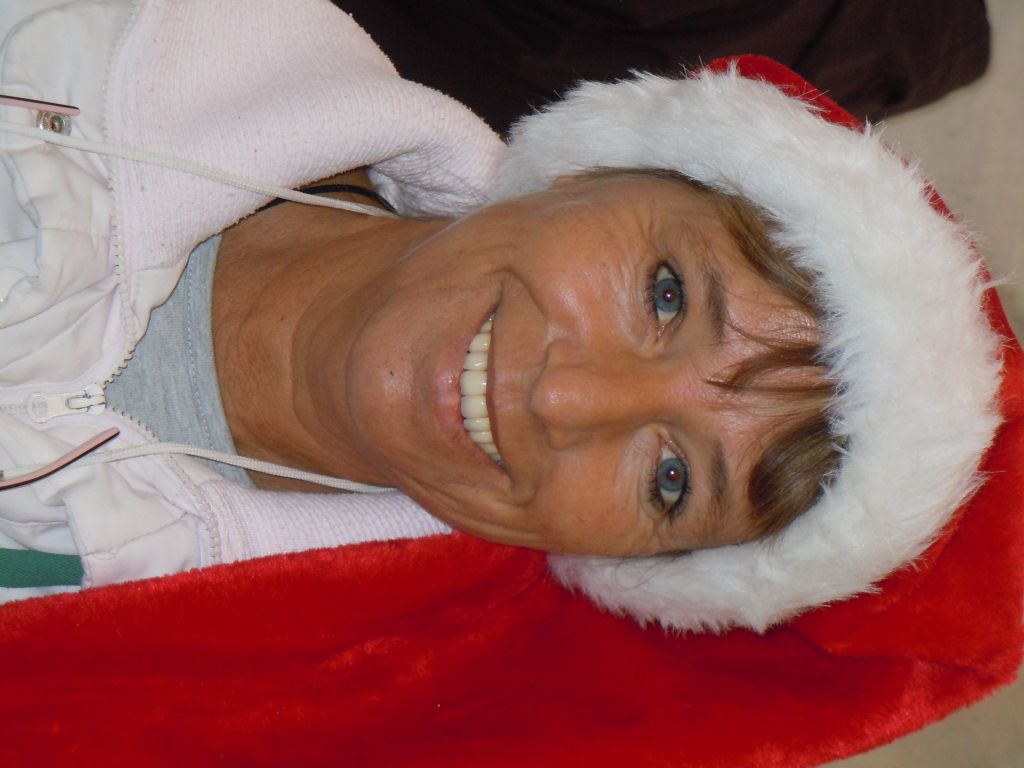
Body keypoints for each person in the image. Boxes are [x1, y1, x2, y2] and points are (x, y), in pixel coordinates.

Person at [0, 2, 1020, 765]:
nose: (566, 402)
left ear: (617, 562)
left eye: (671, 480)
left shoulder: (192, 696)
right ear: (595, 169)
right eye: (666, 296)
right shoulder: (116, 30)